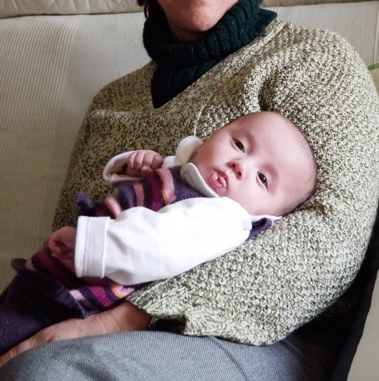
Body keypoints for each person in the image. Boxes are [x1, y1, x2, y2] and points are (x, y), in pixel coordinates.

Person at [0, 0, 379, 381]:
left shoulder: (315, 61)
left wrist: (123, 321)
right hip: (94, 333)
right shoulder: (110, 105)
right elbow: (71, 245)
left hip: (271, 337)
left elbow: (331, 240)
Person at [0, 111, 317, 356]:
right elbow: (144, 202)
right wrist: (137, 170)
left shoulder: (224, 217)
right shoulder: (191, 176)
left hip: (76, 298)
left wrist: (87, 243)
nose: (240, 165)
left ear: (271, 214)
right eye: (239, 145)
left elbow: (156, 245)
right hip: (54, 281)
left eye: (262, 178)